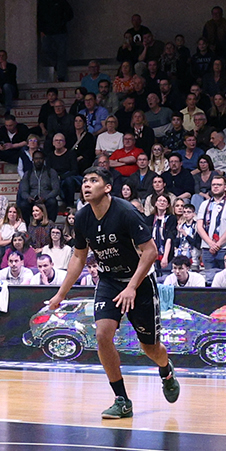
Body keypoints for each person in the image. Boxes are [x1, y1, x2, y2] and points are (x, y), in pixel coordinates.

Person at [47, 169, 180, 419]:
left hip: (140, 282)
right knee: (102, 335)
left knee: (150, 348)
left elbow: (151, 252)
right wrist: (61, 294)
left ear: (107, 188)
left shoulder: (126, 212)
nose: (87, 185)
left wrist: (131, 287)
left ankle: (166, 370)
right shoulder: (83, 217)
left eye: (93, 181)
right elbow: (79, 257)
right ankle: (122, 400)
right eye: (85, 181)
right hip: (109, 281)